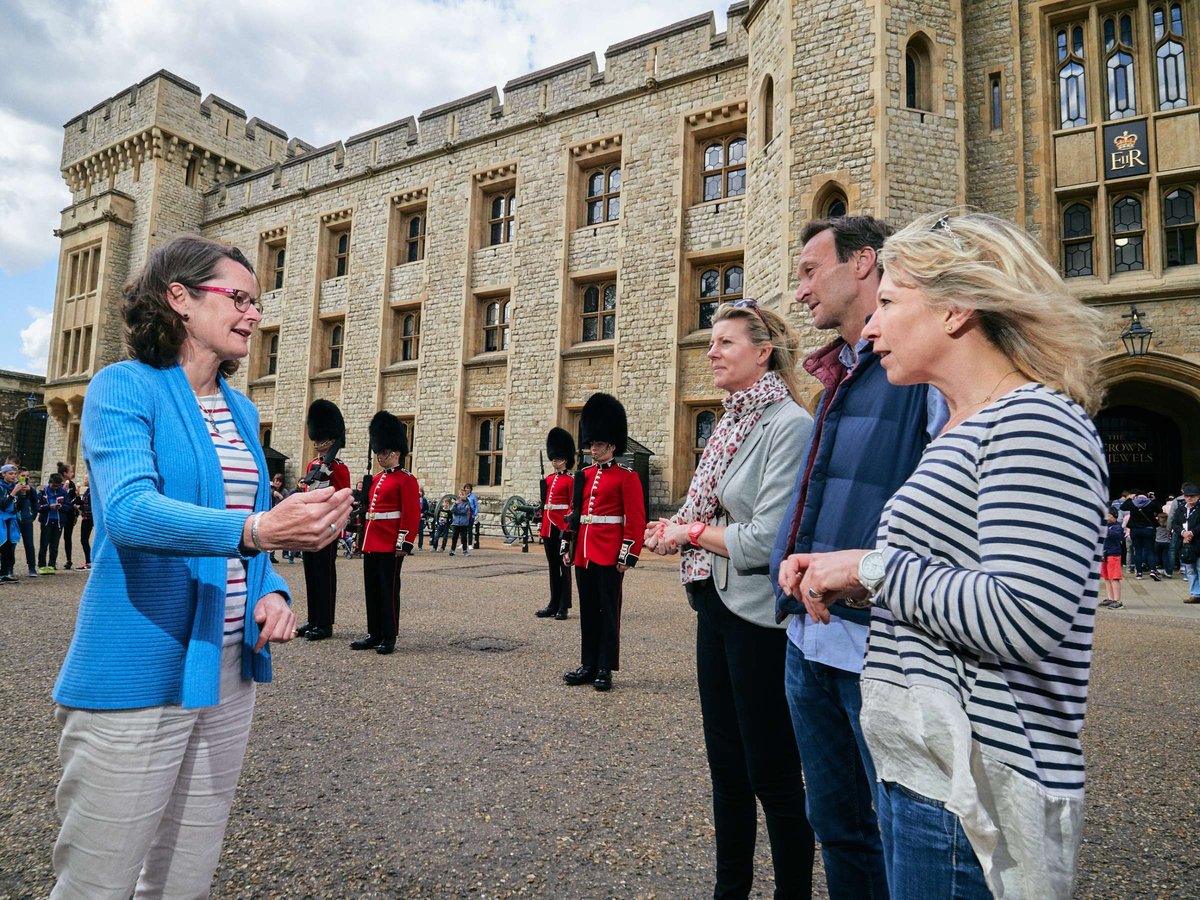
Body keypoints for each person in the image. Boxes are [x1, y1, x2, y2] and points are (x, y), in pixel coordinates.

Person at [780, 212, 1108, 899]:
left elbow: (1025, 614)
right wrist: (856, 583)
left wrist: (867, 569)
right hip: (931, 769)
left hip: (979, 781)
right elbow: (952, 581)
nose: (871, 328)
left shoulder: (1034, 423)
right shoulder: (972, 425)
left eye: (890, 304)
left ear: (956, 309)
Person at [50, 234, 351, 899]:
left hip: (226, 669)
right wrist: (259, 530)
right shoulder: (122, 388)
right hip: (138, 669)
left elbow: (241, 523)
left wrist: (271, 586)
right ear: (180, 299)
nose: (253, 314)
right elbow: (129, 514)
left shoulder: (242, 410)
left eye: (257, 302)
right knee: (98, 882)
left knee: (184, 876)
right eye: (239, 298)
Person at [768, 215, 944, 900]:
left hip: (879, 648)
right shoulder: (835, 374)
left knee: (910, 840)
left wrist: (864, 577)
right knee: (837, 825)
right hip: (809, 639)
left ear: (864, 263)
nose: (801, 288)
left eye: (812, 270)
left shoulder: (918, 374)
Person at [647, 301, 815, 899]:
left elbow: (767, 539)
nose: (711, 351)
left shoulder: (787, 424)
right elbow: (713, 507)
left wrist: (689, 533)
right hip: (714, 604)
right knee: (726, 769)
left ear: (762, 352)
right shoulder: (730, 421)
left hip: (757, 616)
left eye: (724, 342)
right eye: (710, 342)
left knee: (772, 773)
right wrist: (677, 530)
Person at [561, 392, 646, 692]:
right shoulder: (582, 476)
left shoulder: (627, 477)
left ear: (611, 445)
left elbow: (635, 520)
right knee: (588, 609)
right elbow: (574, 515)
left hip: (610, 553)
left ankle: (606, 667)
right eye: (591, 443)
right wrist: (567, 546)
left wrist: (627, 553)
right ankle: (588, 663)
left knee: (608, 611)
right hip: (583, 552)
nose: (592, 448)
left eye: (597, 444)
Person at [351, 411, 420, 655]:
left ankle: (389, 635)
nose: (380, 456)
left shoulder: (406, 480)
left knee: (388, 590)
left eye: (384, 452)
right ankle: (374, 632)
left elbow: (411, 514)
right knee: (372, 589)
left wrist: (404, 543)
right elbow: (369, 512)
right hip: (372, 541)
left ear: (397, 453)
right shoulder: (377, 478)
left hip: (390, 542)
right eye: (379, 452)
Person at [296, 399, 350, 641]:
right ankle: (313, 618)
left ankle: (325, 623)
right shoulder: (312, 464)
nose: (317, 444)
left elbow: (341, 498)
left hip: (327, 527)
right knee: (311, 573)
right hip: (309, 526)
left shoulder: (339, 468)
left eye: (321, 439)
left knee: (325, 575)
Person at [536, 427, 575, 620]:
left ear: (566, 460)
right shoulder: (549, 479)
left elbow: (571, 506)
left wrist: (567, 530)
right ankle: (553, 602)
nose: (555, 461)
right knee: (552, 566)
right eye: (554, 458)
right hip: (547, 526)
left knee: (564, 566)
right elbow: (545, 505)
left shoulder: (570, 480)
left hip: (561, 528)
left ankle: (564, 605)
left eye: (558, 458)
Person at [1120, 492, 1161, 580]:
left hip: (1135, 529)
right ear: (1147, 496)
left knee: (1137, 551)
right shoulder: (1150, 503)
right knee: (1150, 550)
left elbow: (1122, 507)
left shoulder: (1132, 503)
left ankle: (1139, 573)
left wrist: (1130, 498)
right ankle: (1153, 570)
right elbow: (1160, 510)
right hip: (1148, 529)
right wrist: (1154, 500)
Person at [38, 472, 69, 574]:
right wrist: (48, 507)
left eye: (58, 486)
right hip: (47, 521)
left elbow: (68, 506)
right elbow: (38, 507)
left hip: (58, 522)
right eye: (54, 485)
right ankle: (42, 565)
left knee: (54, 545)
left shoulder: (63, 492)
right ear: (49, 483)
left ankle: (52, 565)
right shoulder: (43, 492)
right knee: (44, 544)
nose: (56, 488)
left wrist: (61, 507)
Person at [1173, 482, 1200, 603]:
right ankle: (1195, 593)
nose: (1190, 498)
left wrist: (1192, 532)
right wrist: (1183, 532)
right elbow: (1175, 523)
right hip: (1185, 543)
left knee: (1199, 568)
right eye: (1187, 496)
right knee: (1190, 569)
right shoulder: (1181, 509)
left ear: (1198, 496)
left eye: (1193, 496)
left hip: (1197, 541)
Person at [0, 464, 24, 583]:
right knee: (2, 545)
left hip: (12, 520)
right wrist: (14, 492)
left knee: (9, 547)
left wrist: (23, 494)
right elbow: (3, 505)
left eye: (15, 474)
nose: (13, 476)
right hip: (1, 519)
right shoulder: (1, 487)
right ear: (3, 474)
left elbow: (18, 505)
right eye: (10, 474)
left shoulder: (14, 487)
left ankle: (5, 573)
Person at [1099, 511, 1125, 609]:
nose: (1107, 517)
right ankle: (1110, 598)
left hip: (1113, 554)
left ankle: (1117, 600)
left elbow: (1116, 535)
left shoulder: (1117, 527)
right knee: (1106, 577)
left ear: (1115, 516)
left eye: (1109, 515)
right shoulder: (1107, 526)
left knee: (1114, 578)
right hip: (1104, 554)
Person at [15, 467, 38, 577]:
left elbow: (35, 503)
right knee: (12, 545)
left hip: (27, 519)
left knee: (29, 544)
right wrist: (21, 493)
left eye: (27, 476)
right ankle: (9, 567)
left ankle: (32, 567)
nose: (26, 478)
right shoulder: (14, 488)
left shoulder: (31, 489)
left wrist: (33, 515)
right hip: (15, 520)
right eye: (23, 476)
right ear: (18, 476)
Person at [58, 462, 79, 570]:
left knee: (68, 537)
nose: (72, 473)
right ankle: (52, 560)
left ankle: (69, 560)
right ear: (65, 473)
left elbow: (74, 498)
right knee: (55, 538)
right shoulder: (57, 483)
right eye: (70, 471)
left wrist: (75, 511)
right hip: (60, 513)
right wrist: (64, 490)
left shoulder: (72, 484)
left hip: (70, 514)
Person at [448, 489, 472, 556]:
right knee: (454, 537)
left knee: (464, 538)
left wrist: (457, 512)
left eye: (463, 494)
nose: (461, 496)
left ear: (466, 495)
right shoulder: (456, 502)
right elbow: (451, 510)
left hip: (464, 523)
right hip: (456, 522)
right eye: (460, 494)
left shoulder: (467, 503)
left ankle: (465, 551)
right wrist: (455, 504)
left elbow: (464, 511)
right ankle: (452, 550)